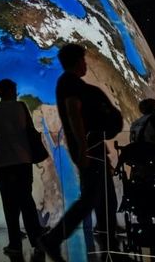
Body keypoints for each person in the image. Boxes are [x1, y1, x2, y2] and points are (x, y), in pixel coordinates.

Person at [38, 44, 120, 262]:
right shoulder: (69, 83)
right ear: (76, 61)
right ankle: (54, 238)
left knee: (106, 199)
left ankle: (110, 246)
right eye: (83, 61)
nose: (85, 65)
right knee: (91, 198)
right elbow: (74, 114)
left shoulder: (71, 83)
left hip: (93, 149)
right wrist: (83, 148)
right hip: (89, 149)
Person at [0, 79, 43, 255]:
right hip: (23, 159)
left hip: (3, 161)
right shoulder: (21, 107)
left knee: (9, 204)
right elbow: (30, 129)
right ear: (13, 91)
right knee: (27, 201)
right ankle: (37, 241)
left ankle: (15, 244)